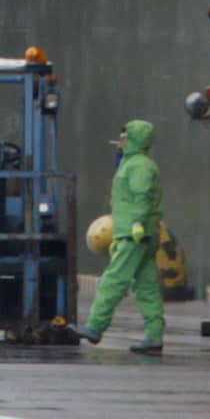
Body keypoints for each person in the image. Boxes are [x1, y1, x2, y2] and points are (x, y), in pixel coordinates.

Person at [79, 118, 165, 354]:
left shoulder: (138, 166)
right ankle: (154, 336)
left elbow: (142, 195)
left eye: (125, 135)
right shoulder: (134, 163)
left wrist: (136, 222)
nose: (121, 139)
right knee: (146, 288)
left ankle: (95, 326)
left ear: (136, 139)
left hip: (133, 233)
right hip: (141, 232)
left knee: (113, 280)